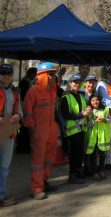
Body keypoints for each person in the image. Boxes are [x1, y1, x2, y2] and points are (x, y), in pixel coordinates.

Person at [23, 62, 59, 200]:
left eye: (54, 74)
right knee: (38, 160)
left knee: (49, 158)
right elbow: (27, 113)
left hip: (50, 129)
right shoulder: (33, 91)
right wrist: (32, 128)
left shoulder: (53, 90)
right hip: (39, 130)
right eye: (50, 74)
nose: (53, 77)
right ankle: (37, 188)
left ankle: (44, 181)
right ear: (42, 75)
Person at [60, 73, 91, 184]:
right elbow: (65, 114)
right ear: (70, 83)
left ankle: (78, 172)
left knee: (79, 153)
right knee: (73, 153)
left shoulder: (81, 96)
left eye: (79, 83)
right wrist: (81, 115)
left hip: (81, 129)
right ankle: (72, 175)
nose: (77, 84)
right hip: (72, 130)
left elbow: (83, 110)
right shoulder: (65, 97)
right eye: (75, 82)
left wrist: (87, 111)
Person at [0, 64, 21, 206]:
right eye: (3, 74)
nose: (6, 76)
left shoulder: (15, 92)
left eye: (9, 74)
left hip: (8, 132)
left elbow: (19, 110)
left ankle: (1, 196)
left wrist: (18, 116)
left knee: (4, 166)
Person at [84, 94, 111, 181]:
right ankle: (94, 172)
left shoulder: (105, 109)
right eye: (92, 100)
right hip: (92, 137)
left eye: (96, 100)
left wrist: (104, 120)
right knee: (92, 155)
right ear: (90, 102)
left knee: (102, 154)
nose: (95, 102)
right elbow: (85, 125)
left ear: (99, 100)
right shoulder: (88, 111)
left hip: (102, 136)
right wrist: (94, 121)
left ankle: (101, 170)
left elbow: (110, 120)